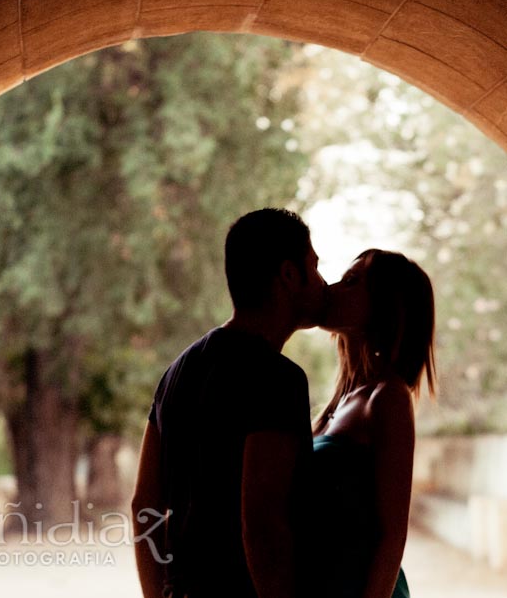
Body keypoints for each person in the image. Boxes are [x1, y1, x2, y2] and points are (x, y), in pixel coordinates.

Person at [131, 208, 327, 598]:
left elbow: (144, 506)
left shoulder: (177, 371)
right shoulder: (278, 378)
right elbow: (262, 523)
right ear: (289, 275)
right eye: (314, 267)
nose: (323, 283)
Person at [309, 249, 436, 598]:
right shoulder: (340, 400)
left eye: (351, 282)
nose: (333, 288)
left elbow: (393, 534)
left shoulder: (388, 398)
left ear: (384, 307)